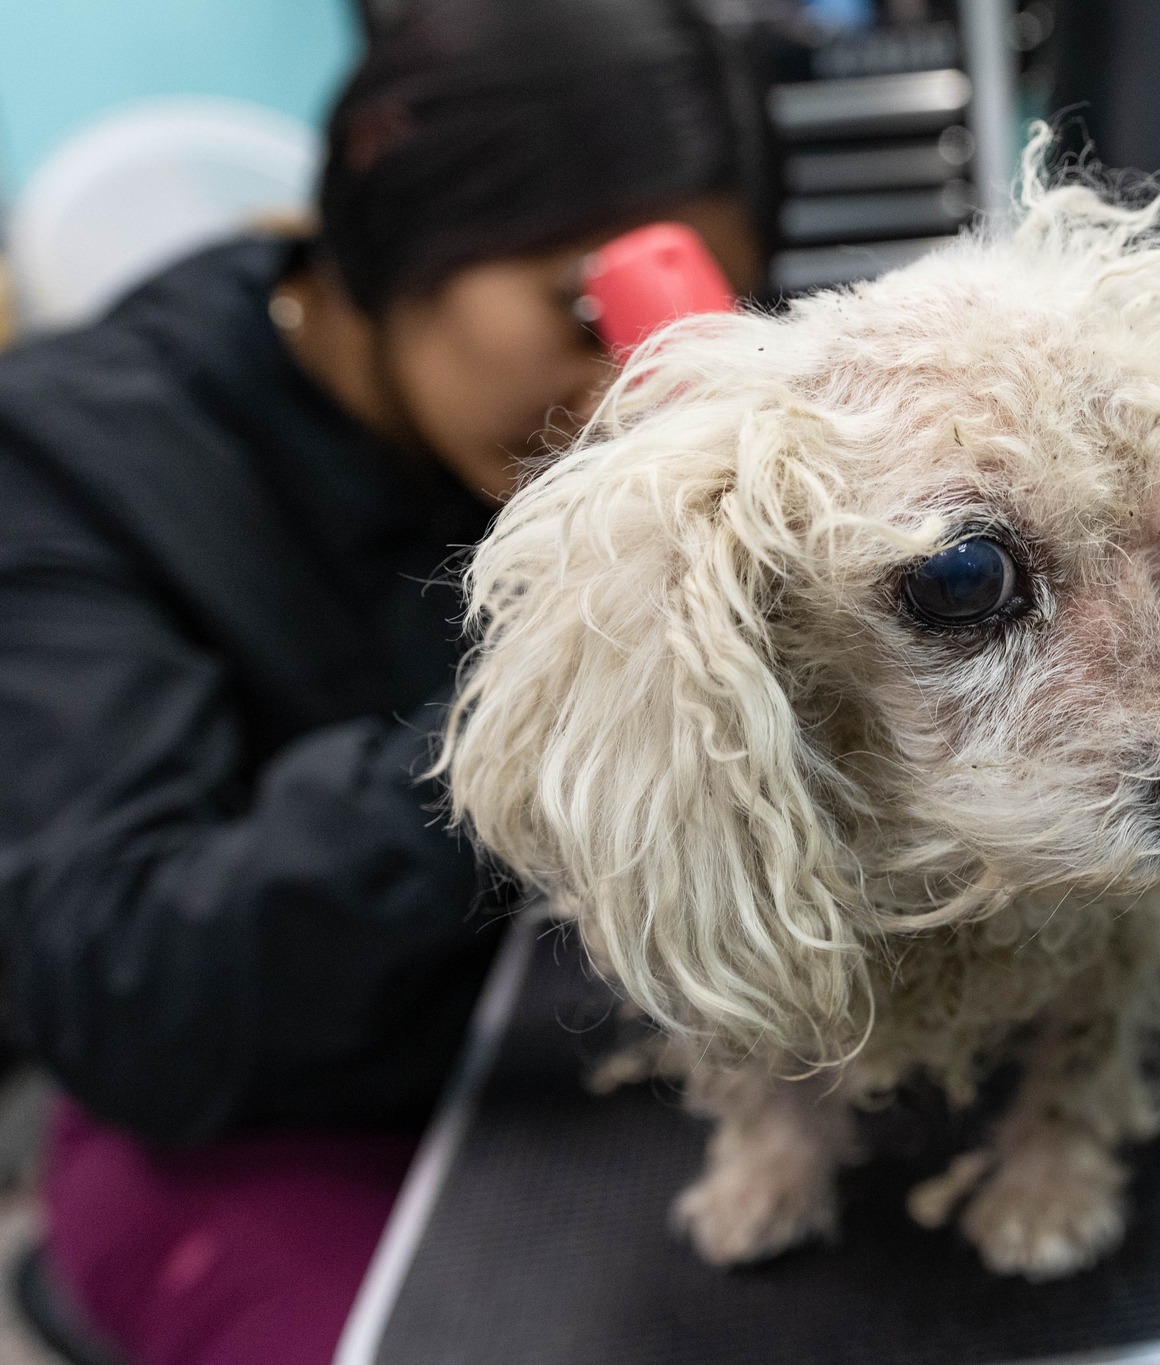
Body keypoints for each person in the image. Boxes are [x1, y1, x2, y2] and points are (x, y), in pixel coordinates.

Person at [0, 1, 760, 1361]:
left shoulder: (588, 420)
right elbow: (130, 979)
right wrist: (550, 705)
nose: (626, 397)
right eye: (580, 308)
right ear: (403, 206)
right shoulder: (65, 463)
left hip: (580, 1040)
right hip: (239, 1109)